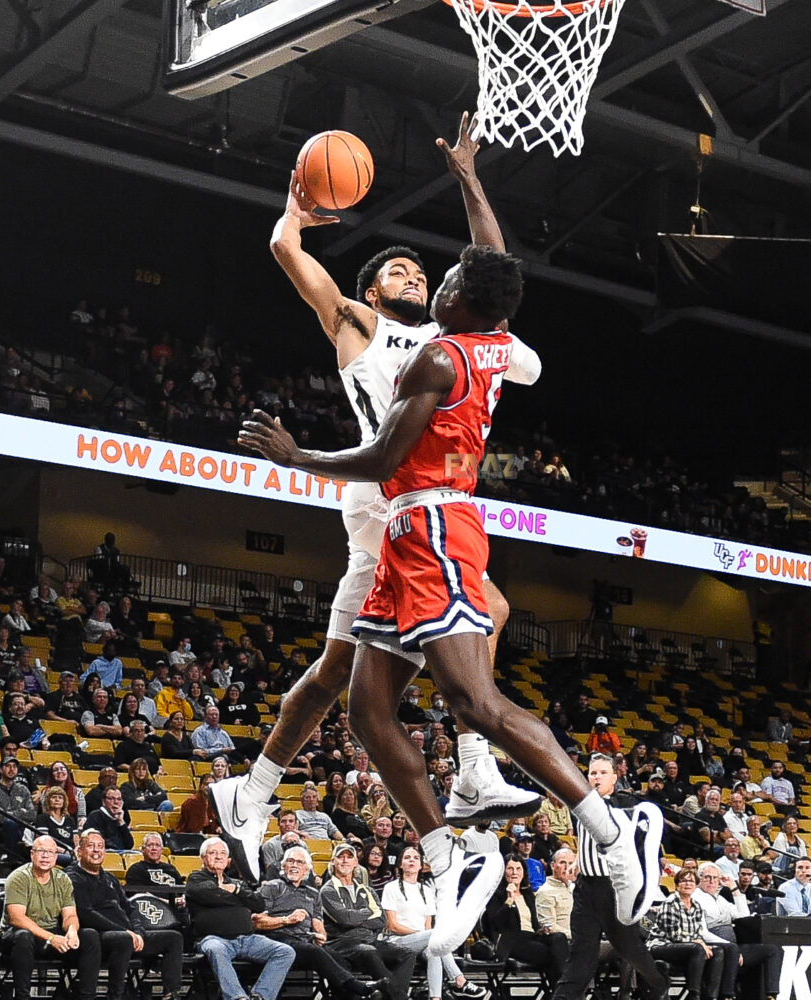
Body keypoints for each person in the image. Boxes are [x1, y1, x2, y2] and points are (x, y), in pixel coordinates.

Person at [241, 244, 662, 955]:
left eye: (453, 279)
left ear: (468, 302)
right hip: (408, 533)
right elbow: (493, 259)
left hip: (434, 523)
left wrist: (297, 457)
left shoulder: (439, 359)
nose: (441, 281)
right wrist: (468, 179)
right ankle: (448, 854)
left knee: (473, 702)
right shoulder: (490, 340)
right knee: (367, 709)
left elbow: (381, 461)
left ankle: (616, 832)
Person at [209, 116, 545, 887]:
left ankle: (251, 793)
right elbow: (291, 258)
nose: (413, 277)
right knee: (487, 610)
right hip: (380, 494)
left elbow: (490, 268)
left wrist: (468, 178)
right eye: (397, 271)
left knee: (336, 674)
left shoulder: (447, 337)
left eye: (420, 274)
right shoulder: (358, 326)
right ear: (369, 291)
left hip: (405, 505)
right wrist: (295, 217)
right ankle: (470, 768)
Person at [550, 753, 667, 1000]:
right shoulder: (582, 804)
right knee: (582, 951)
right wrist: (580, 860)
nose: (596, 777)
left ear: (615, 777)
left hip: (614, 888)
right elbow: (588, 837)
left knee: (629, 948)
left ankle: (658, 985)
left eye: (603, 773)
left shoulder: (622, 804)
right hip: (586, 887)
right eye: (593, 773)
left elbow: (633, 842)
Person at [254, 845, 386, 998]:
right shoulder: (271, 887)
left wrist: (321, 936)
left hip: (305, 940)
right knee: (314, 951)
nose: (295, 865)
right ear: (284, 866)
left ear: (307, 869)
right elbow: (258, 921)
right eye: (291, 861)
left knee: (334, 954)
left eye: (300, 862)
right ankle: (360, 988)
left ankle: (350, 997)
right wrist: (286, 920)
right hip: (278, 939)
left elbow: (318, 925)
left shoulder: (313, 893)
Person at [67, 829, 183, 1000]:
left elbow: (130, 908)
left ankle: (171, 994)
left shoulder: (110, 878)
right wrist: (125, 931)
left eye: (100, 847)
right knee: (123, 939)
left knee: (174, 937)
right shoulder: (73, 877)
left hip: (128, 934)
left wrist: (138, 931)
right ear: (80, 851)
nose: (96, 851)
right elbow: (86, 913)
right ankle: (116, 995)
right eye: (91, 846)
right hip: (98, 937)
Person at [185, 837, 295, 1000]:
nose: (218, 856)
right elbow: (212, 896)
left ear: (228, 860)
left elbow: (259, 904)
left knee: (285, 951)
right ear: (203, 857)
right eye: (213, 853)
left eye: (223, 853)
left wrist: (236, 890)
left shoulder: (237, 883)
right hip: (214, 939)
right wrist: (240, 898)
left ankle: (260, 996)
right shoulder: (195, 879)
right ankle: (237, 997)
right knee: (216, 949)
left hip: (247, 939)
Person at [0, 836, 99, 1000]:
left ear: (56, 857)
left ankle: (86, 996)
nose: (45, 856)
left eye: (50, 852)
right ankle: (22, 997)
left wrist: (72, 930)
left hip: (51, 934)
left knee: (90, 936)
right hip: (16, 935)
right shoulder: (18, 877)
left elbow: (70, 914)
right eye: (41, 851)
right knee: (24, 936)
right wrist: (51, 938)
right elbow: (17, 919)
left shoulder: (63, 879)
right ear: (32, 854)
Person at [381, 845, 486, 1000]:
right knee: (435, 937)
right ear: (400, 864)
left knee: (434, 952)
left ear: (421, 866)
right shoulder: (391, 887)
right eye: (407, 857)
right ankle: (459, 980)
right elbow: (392, 925)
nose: (412, 860)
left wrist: (426, 937)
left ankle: (435, 997)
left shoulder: (427, 890)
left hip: (423, 940)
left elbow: (428, 925)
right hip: (397, 941)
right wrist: (424, 936)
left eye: (416, 858)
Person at [321, 843, 417, 1000]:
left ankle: (386, 995)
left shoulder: (367, 890)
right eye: (340, 857)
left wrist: (355, 918)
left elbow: (381, 920)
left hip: (370, 940)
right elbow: (345, 919)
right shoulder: (328, 890)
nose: (345, 861)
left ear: (355, 863)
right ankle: (399, 997)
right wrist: (366, 913)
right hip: (343, 943)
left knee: (407, 954)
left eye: (349, 857)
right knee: (368, 951)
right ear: (333, 861)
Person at [692, 860, 779, 1000]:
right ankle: (728, 995)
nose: (711, 881)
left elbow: (743, 916)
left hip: (732, 945)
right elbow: (702, 932)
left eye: (715, 877)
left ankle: (771, 995)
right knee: (732, 950)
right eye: (707, 877)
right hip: (711, 944)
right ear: (699, 878)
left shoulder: (721, 899)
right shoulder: (695, 897)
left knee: (772, 950)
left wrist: (735, 889)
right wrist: (730, 946)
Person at [484, 854, 569, 989]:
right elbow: (495, 924)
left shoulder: (528, 895)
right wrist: (509, 900)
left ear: (524, 872)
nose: (514, 873)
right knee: (555, 955)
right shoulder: (496, 895)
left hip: (532, 937)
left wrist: (541, 931)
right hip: (511, 940)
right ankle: (565, 992)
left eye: (518, 868)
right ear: (503, 872)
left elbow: (534, 924)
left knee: (559, 938)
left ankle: (561, 992)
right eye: (510, 869)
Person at [647, 868, 724, 999]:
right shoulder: (670, 902)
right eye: (683, 881)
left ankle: (711, 996)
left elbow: (698, 933)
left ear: (695, 885)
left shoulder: (697, 906)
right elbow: (673, 934)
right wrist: (697, 942)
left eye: (691, 881)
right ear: (677, 885)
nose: (687, 884)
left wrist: (699, 942)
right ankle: (694, 994)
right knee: (698, 948)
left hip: (686, 947)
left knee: (718, 951)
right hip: (660, 946)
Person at [0, 755, 37, 851]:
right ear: (1, 770)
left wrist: (10, 812)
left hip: (24, 828)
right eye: (8, 766)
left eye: (14, 766)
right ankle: (13, 857)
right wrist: (21, 811)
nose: (12, 769)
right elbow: (0, 818)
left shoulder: (23, 789)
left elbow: (33, 814)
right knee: (10, 823)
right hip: (0, 830)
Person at [32, 786, 78, 864]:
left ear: (64, 801)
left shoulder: (69, 819)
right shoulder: (42, 818)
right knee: (73, 861)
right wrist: (64, 851)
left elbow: (76, 840)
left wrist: (76, 851)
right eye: (54, 797)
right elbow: (44, 842)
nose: (57, 800)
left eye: (60, 797)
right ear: (48, 801)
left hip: (71, 852)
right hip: (52, 852)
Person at [83, 785, 133, 852]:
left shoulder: (121, 818)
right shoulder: (95, 816)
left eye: (119, 799)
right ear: (104, 802)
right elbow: (96, 842)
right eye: (112, 799)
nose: (116, 802)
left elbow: (129, 845)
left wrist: (121, 822)